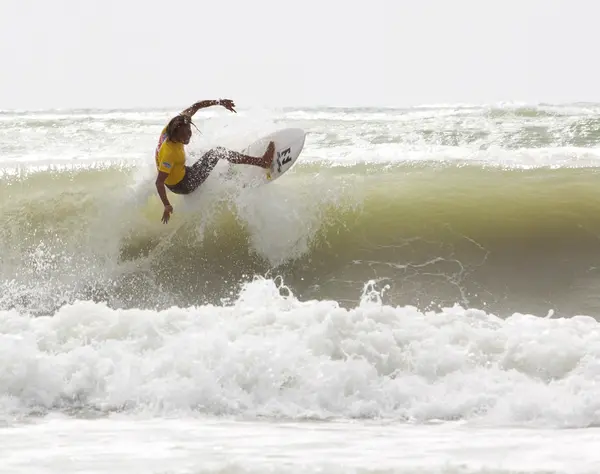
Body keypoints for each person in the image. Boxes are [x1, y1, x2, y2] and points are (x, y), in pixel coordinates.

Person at [154, 98, 275, 224]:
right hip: (183, 185)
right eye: (183, 136)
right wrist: (166, 205)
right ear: (175, 134)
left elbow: (197, 105)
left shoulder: (179, 122)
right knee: (217, 152)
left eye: (189, 132)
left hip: (181, 173)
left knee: (204, 156)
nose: (188, 137)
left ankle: (228, 175)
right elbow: (159, 182)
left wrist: (220, 102)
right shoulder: (170, 152)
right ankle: (262, 162)